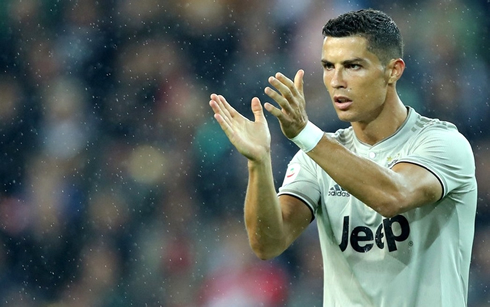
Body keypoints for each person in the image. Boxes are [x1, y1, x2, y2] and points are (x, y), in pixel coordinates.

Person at [208, 9, 477, 306]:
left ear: (393, 70)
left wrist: (305, 134)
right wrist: (258, 163)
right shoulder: (315, 157)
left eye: (352, 66)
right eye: (328, 66)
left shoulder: (442, 144)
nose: (336, 80)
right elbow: (269, 242)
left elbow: (393, 195)